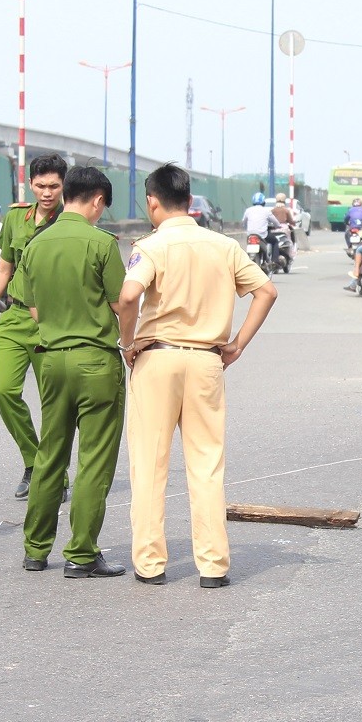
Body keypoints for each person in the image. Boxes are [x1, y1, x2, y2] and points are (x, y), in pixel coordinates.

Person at [116, 164, 277, 587]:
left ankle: (151, 565)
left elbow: (130, 294)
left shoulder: (150, 246)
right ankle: (213, 565)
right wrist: (238, 342)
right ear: (189, 202)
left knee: (149, 464)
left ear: (152, 202)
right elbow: (266, 291)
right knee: (206, 464)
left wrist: (127, 341)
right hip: (207, 358)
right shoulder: (223, 246)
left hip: (157, 357)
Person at [18, 165, 127, 577]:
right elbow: (122, 303)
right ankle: (81, 553)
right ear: (97, 199)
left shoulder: (36, 245)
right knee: (94, 458)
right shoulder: (101, 243)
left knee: (50, 454)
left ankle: (35, 548)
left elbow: (33, 308)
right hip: (95, 359)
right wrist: (129, 342)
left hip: (51, 359)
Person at [0, 154, 68, 499]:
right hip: (14, 318)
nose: (47, 193)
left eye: (54, 186)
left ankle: (54, 472)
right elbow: (4, 269)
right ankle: (34, 461)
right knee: (3, 391)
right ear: (31, 184)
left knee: (54, 403)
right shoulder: (15, 218)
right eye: (41, 186)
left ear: (63, 186)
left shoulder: (70, 221)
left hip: (52, 321)